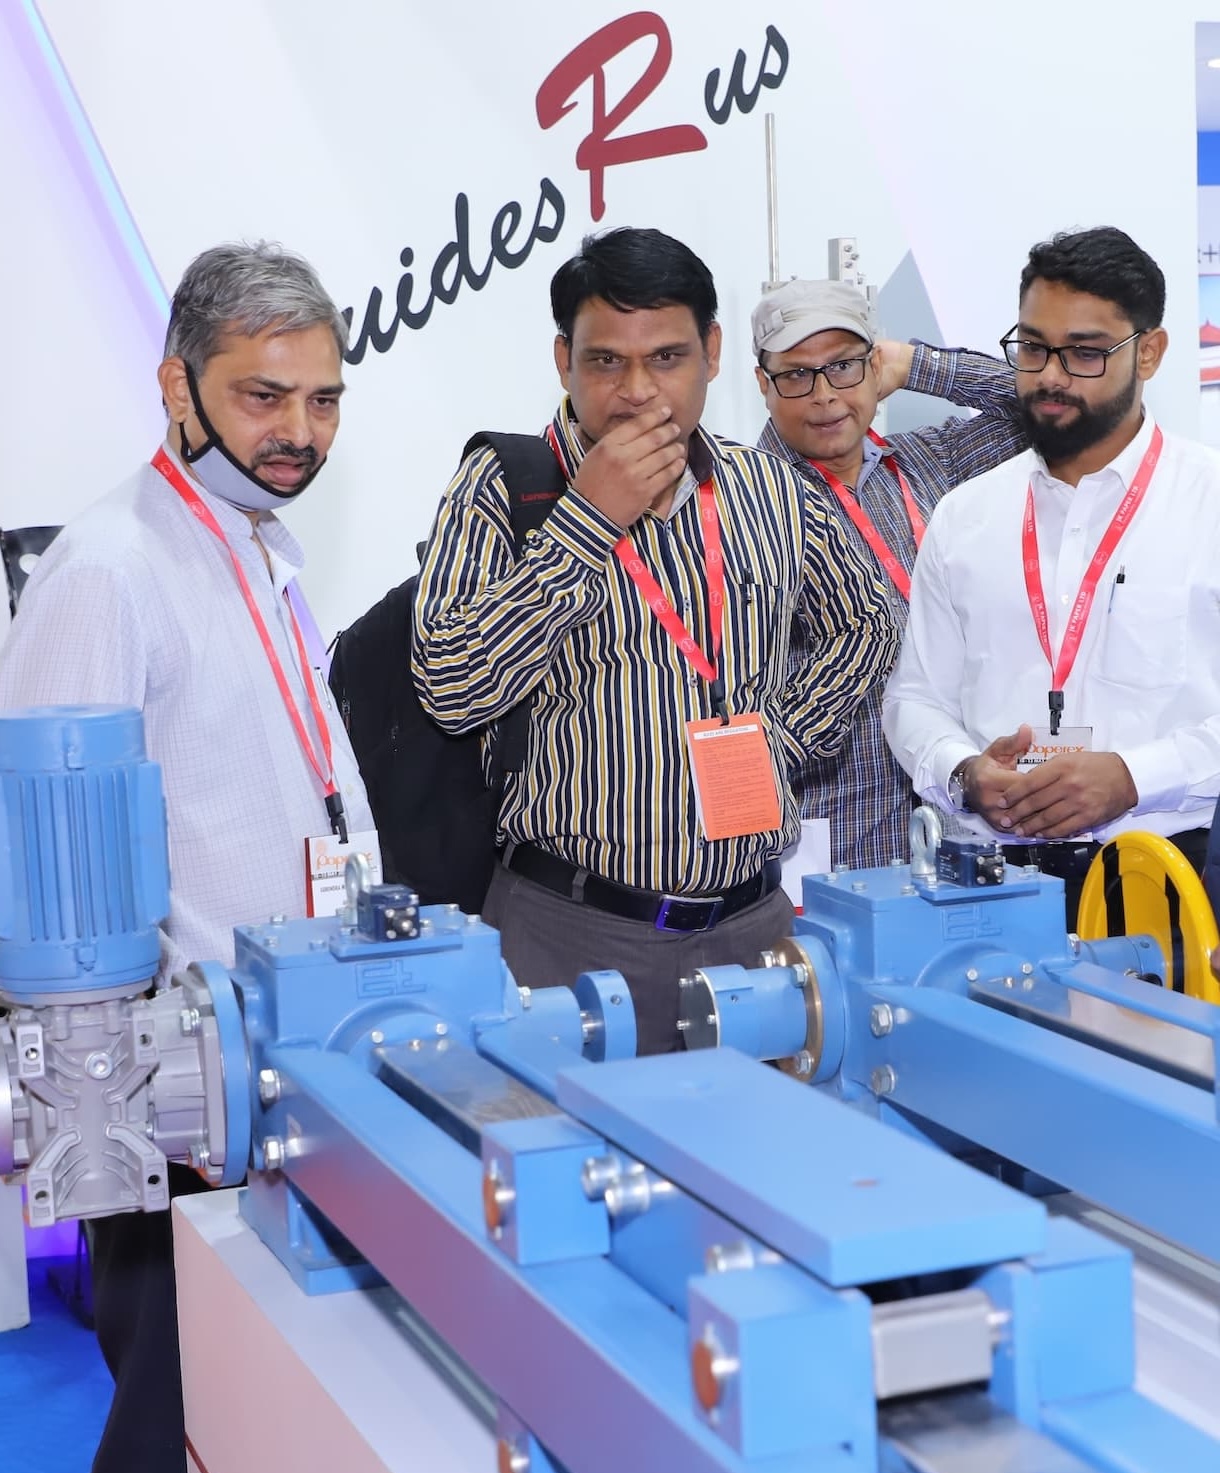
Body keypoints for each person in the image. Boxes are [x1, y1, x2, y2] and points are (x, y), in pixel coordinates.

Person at [0, 242, 373, 1473]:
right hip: (176, 1103)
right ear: (178, 384)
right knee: (167, 1448)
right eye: (264, 396)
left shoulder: (252, 546)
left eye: (324, 399)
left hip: (286, 1068)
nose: (301, 432)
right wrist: (116, 1107)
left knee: (255, 1445)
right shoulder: (107, 568)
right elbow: (55, 886)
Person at [413, 227, 896, 1054]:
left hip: (755, 932)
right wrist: (588, 521)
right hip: (571, 937)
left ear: (711, 352)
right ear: (564, 359)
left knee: (762, 1174)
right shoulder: (504, 485)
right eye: (606, 362)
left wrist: (776, 742)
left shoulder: (768, 484)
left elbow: (868, 620)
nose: (638, 392)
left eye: (667, 358)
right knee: (573, 1175)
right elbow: (452, 687)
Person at [883, 226, 1220, 927]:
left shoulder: (1209, 500)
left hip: (1167, 882)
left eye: (1086, 352)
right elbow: (913, 699)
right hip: (988, 889)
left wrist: (1135, 776)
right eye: (1033, 347)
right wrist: (964, 774)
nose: (1051, 376)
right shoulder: (967, 513)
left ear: (1149, 352)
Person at [752, 278, 1026, 868]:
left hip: (959, 807)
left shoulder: (933, 461)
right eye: (796, 375)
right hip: (827, 828)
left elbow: (1042, 406)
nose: (824, 395)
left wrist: (917, 363)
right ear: (762, 386)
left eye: (845, 366)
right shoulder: (739, 500)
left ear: (877, 366)